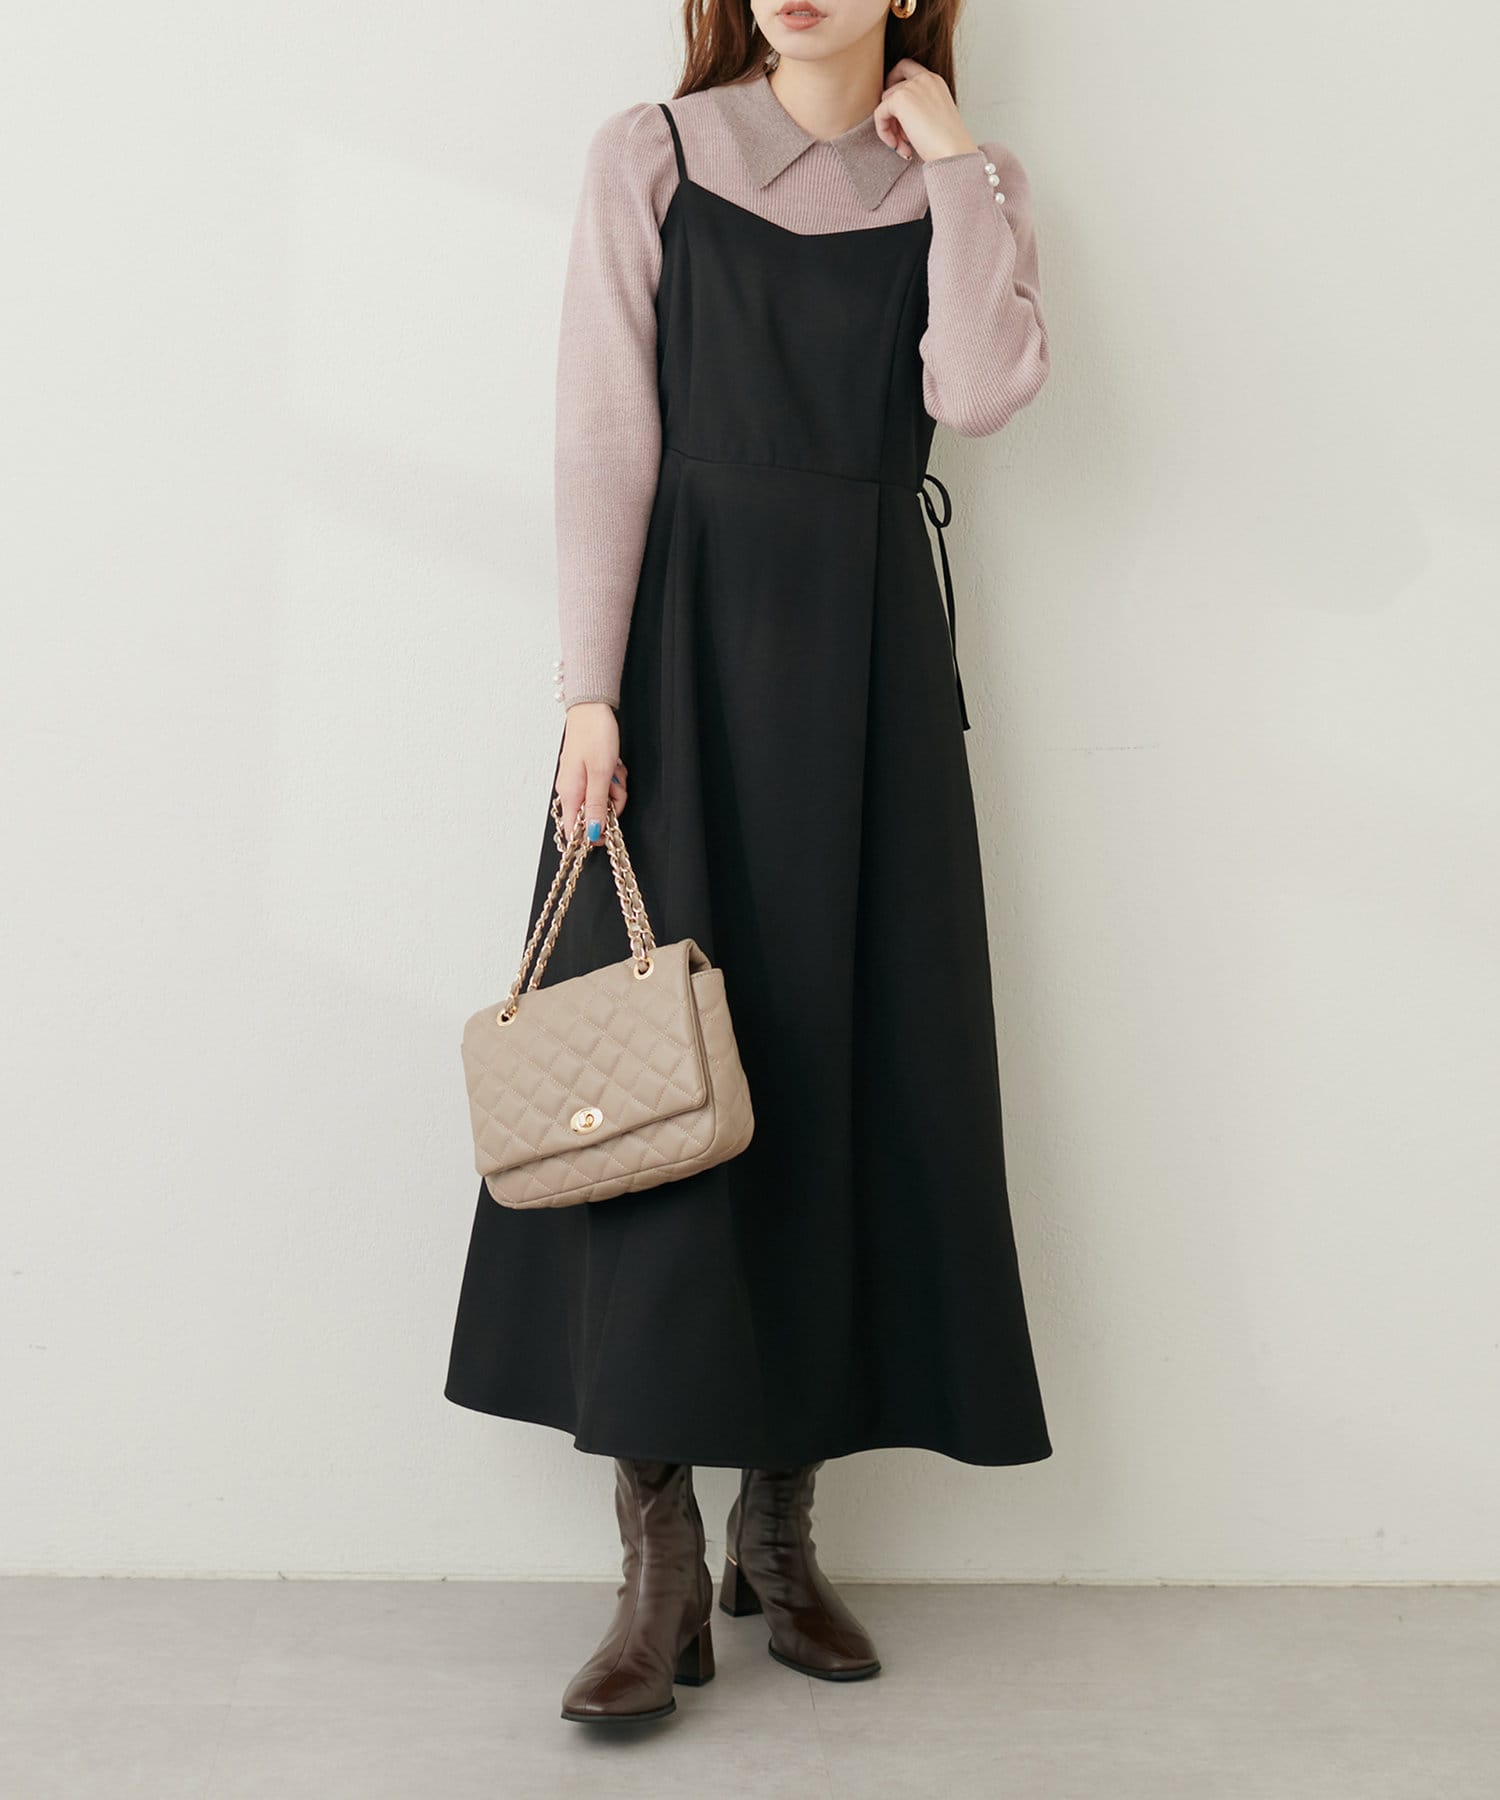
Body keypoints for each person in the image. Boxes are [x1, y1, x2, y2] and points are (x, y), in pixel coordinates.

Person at [446, 0, 1053, 1725]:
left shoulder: (966, 181)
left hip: (868, 681)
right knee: (645, 1098)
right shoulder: (653, 152)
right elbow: (602, 429)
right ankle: (656, 1562)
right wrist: (589, 691)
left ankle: (778, 1534)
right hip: (679, 663)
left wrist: (956, 168)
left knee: (842, 1075)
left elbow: (979, 393)